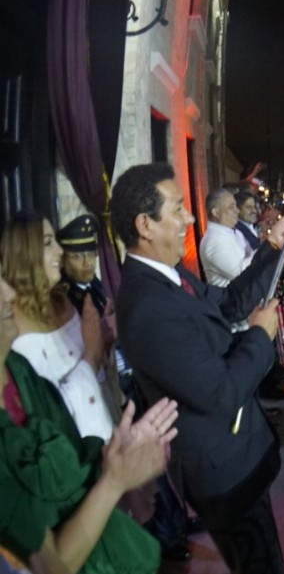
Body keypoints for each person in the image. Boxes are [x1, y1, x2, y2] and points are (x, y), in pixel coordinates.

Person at [111, 163, 284, 574]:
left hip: (237, 457)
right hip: (224, 473)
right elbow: (219, 393)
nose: (188, 218)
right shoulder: (148, 308)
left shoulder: (169, 277)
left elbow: (229, 304)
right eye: (179, 208)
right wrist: (259, 336)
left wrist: (272, 245)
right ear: (145, 224)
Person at [0, 259, 180, 573]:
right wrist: (113, 481)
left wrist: (117, 458)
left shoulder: (17, 368)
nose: (8, 293)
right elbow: (49, 564)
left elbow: (70, 450)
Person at [56, 214, 195, 562]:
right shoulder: (66, 302)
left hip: (118, 386)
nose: (88, 263)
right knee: (136, 475)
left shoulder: (97, 288)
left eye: (90, 254)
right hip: (96, 401)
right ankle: (164, 537)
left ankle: (174, 525)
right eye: (78, 256)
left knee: (155, 462)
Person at [0, 212, 117, 442]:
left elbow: (97, 374)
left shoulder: (63, 300)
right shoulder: (10, 326)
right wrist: (91, 357)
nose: (59, 250)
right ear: (24, 254)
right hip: (72, 451)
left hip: (108, 432)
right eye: (47, 243)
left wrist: (103, 339)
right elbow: (44, 409)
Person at [199, 188, 255, 287]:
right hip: (232, 300)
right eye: (231, 207)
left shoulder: (236, 233)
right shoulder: (213, 241)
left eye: (236, 206)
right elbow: (240, 274)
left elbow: (251, 254)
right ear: (216, 213)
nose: (237, 211)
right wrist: (264, 249)